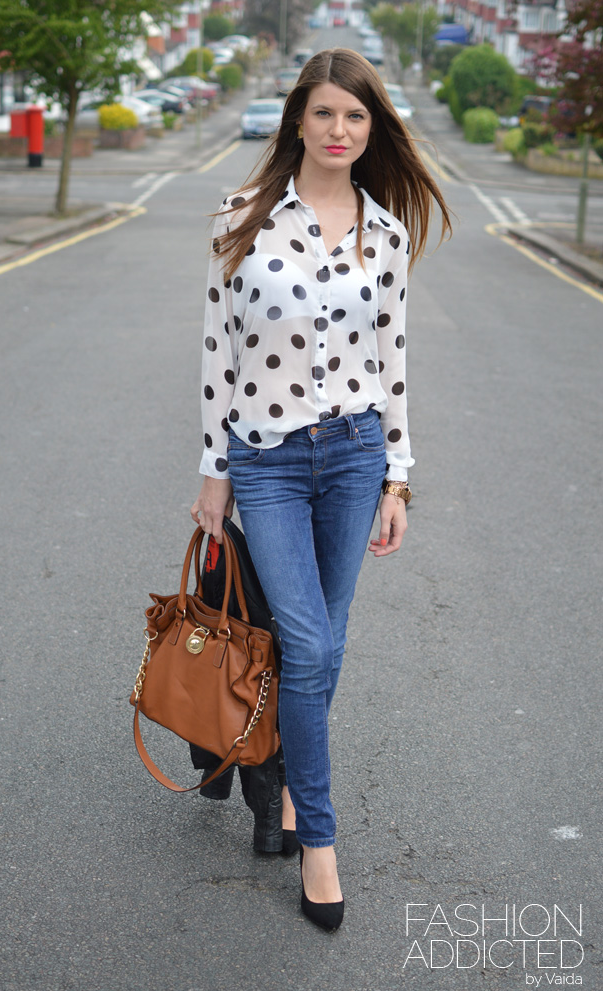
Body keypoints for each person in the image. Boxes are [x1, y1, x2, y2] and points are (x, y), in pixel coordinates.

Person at [190, 47, 451, 932]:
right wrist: (213, 470)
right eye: (326, 113)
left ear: (371, 130)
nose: (341, 131)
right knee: (304, 641)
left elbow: (395, 362)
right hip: (264, 459)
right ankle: (321, 845)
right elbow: (217, 352)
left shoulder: (386, 235)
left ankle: (293, 790)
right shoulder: (241, 218)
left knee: (325, 647)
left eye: (358, 117)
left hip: (353, 458)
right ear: (296, 118)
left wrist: (399, 480)